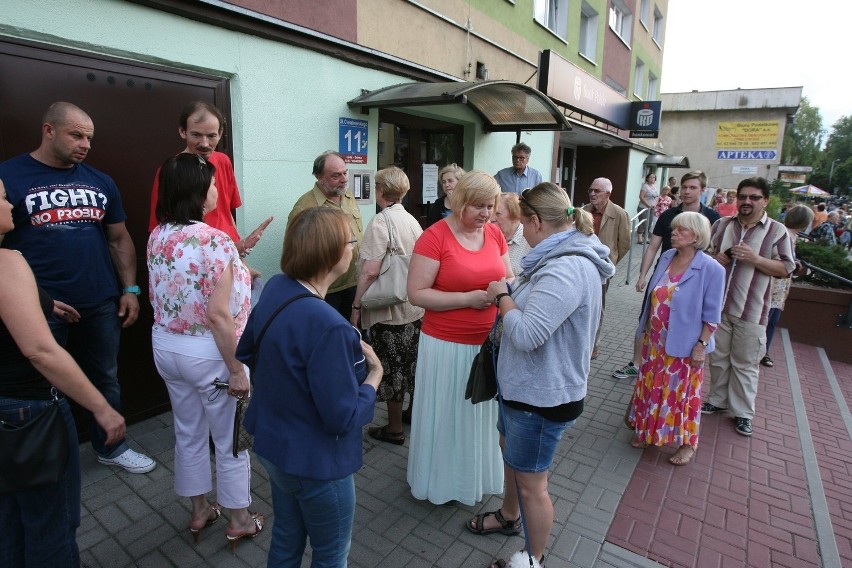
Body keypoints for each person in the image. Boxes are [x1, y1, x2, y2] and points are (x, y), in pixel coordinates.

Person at [0, 102, 155, 474]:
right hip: (41, 307)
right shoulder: (9, 176)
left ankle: (112, 449)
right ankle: (51, 459)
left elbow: (119, 239)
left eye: (89, 137)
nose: (85, 144)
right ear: (48, 130)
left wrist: (130, 290)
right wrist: (42, 300)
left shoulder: (100, 181)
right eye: (76, 135)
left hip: (100, 302)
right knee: (41, 384)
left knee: (105, 376)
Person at [469, 182, 615, 568]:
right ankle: (509, 516)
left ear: (535, 221)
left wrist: (502, 297)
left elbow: (529, 333)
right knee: (513, 458)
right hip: (524, 388)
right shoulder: (555, 256)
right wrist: (511, 288)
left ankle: (532, 560)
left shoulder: (566, 267)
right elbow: (539, 301)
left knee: (533, 485)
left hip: (541, 396)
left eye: (522, 222)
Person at [237, 207, 383, 567]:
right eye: (351, 242)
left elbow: (247, 350)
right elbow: (342, 417)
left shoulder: (276, 287)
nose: (354, 249)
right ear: (333, 254)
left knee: (286, 538)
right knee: (332, 553)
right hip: (314, 461)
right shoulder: (330, 326)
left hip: (275, 446)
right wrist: (374, 376)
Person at [0, 178, 126, 566]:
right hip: (29, 412)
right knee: (51, 525)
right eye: (3, 198)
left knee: (11, 520)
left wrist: (44, 301)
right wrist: (101, 409)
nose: (11, 206)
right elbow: (40, 350)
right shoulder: (8, 261)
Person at [147, 154, 262, 549]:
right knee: (230, 437)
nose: (218, 190)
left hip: (167, 346)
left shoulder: (158, 234)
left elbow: (184, 286)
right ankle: (239, 518)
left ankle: (199, 511)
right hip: (210, 352)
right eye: (213, 184)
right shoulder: (215, 239)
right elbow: (217, 314)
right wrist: (235, 369)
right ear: (198, 191)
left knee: (188, 433)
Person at [407, 170, 513, 505]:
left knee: (478, 419)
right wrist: (467, 299)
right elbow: (416, 294)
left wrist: (503, 294)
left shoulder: (494, 235)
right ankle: (440, 484)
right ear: (459, 203)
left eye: (490, 206)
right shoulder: (434, 237)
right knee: (448, 417)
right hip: (446, 345)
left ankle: (473, 480)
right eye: (478, 206)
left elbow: (508, 275)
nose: (485, 213)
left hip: (488, 343)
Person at [629, 212, 724, 466]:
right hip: (655, 342)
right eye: (674, 229)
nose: (674, 233)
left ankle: (687, 443)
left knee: (682, 396)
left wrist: (701, 346)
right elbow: (654, 292)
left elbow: (713, 316)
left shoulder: (711, 269)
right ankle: (649, 431)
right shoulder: (668, 257)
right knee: (652, 389)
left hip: (686, 346)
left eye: (681, 230)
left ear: (697, 236)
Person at [702, 177, 795, 437]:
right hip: (719, 307)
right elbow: (705, 257)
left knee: (745, 363)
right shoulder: (721, 225)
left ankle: (742, 412)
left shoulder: (777, 231)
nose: (746, 201)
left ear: (765, 200)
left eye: (754, 197)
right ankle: (717, 400)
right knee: (718, 359)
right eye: (742, 196)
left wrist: (756, 259)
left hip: (752, 310)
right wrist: (715, 259)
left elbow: (787, 268)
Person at [613, 170, 721, 381]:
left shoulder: (713, 219)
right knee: (645, 321)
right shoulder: (668, 219)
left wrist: (702, 344)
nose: (687, 191)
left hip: (691, 288)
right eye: (684, 187)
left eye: (693, 187)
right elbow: (653, 247)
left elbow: (712, 313)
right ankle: (637, 363)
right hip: (664, 282)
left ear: (702, 190)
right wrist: (642, 275)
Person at [350, 166, 424, 445]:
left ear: (381, 191)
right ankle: (410, 414)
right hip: (413, 308)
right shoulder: (413, 220)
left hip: (389, 310)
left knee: (391, 368)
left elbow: (369, 271)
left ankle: (394, 429)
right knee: (410, 366)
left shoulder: (381, 222)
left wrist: (356, 306)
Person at [147, 101, 273, 260]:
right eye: (196, 135)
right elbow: (160, 228)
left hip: (231, 253)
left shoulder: (223, 161)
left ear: (220, 133)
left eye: (211, 136)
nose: (205, 144)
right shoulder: (169, 172)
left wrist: (240, 252)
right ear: (182, 131)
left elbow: (227, 211)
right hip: (197, 262)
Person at [288, 150, 363, 321]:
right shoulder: (305, 207)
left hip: (354, 283)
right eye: (336, 176)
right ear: (319, 177)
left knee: (353, 337)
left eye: (345, 173)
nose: (344, 179)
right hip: (327, 291)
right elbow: (297, 254)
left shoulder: (348, 195)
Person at [582, 177, 630, 359]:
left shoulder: (619, 214)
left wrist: (612, 262)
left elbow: (624, 244)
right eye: (591, 190)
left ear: (608, 194)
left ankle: (594, 343)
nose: (592, 194)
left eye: (597, 191)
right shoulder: (584, 211)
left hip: (602, 268)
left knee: (598, 306)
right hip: (583, 265)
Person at [762, 205, 813, 367]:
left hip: (776, 286)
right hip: (774, 286)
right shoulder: (785, 235)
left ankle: (763, 351)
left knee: (770, 320)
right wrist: (794, 267)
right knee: (769, 320)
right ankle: (763, 352)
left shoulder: (784, 233)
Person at [491, 192, 531, 277]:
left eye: (497, 214)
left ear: (515, 215)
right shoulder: (487, 236)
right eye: (491, 213)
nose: (491, 219)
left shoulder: (530, 240)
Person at [637, 172, 659, 244]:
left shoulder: (654, 187)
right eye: (651, 177)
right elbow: (641, 197)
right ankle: (640, 238)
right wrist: (648, 205)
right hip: (644, 207)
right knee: (644, 223)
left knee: (649, 223)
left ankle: (645, 238)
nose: (652, 179)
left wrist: (655, 204)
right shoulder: (645, 186)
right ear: (647, 178)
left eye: (653, 177)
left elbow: (657, 197)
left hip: (652, 208)